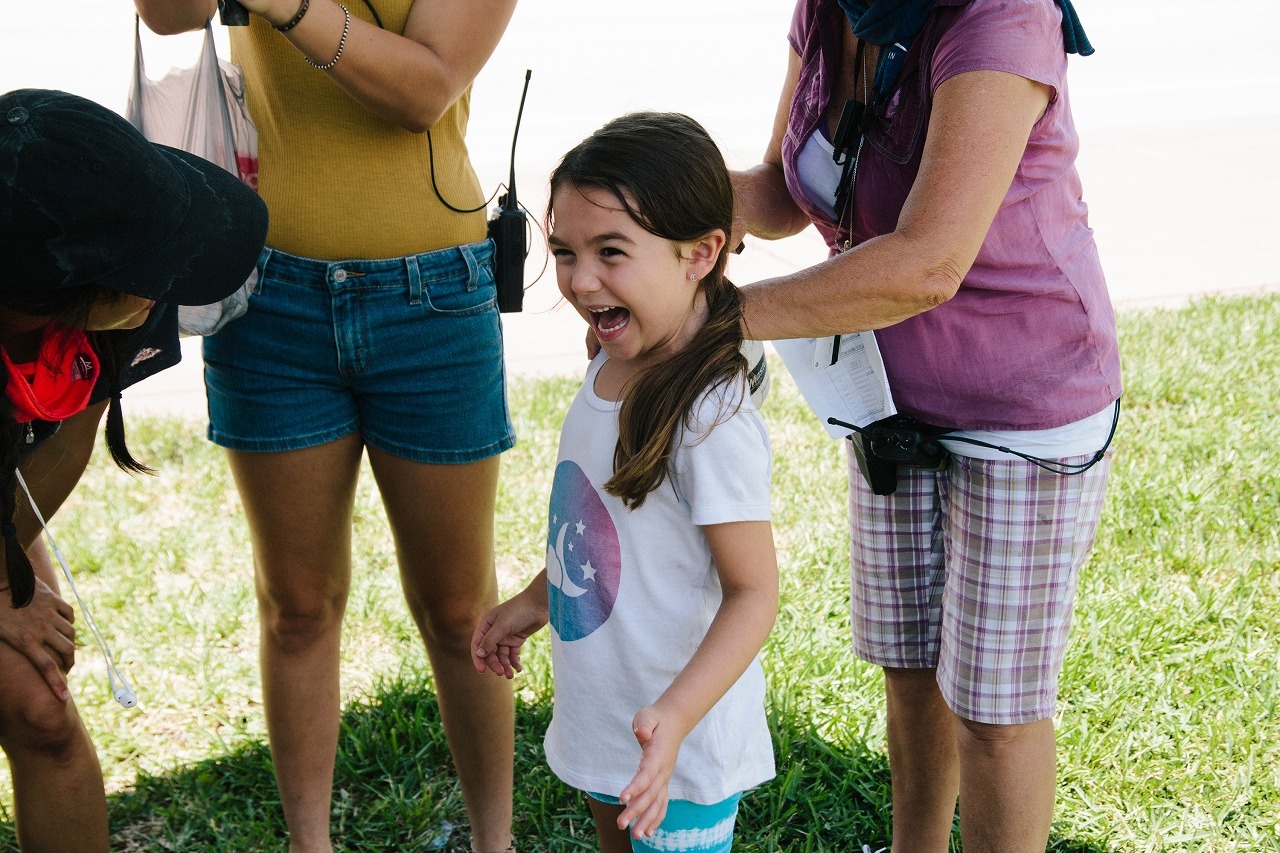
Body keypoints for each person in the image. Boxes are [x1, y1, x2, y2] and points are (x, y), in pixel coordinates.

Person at [729, 1, 1120, 850]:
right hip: (887, 395)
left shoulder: (1000, 19)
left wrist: (715, 317)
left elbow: (929, 260)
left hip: (1024, 405)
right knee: (908, 668)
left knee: (994, 709)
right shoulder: (831, 7)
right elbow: (783, 192)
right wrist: (653, 199)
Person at [131, 1, 519, 850]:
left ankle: (498, 842)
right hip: (267, 296)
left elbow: (426, 88)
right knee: (297, 605)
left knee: (460, 613)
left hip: (434, 296)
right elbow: (164, 15)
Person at [472, 112, 779, 853]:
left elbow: (754, 592)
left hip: (682, 741)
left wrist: (674, 716)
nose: (580, 281)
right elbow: (600, 532)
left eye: (612, 252)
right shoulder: (608, 367)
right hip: (612, 717)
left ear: (700, 253)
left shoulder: (710, 413)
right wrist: (535, 600)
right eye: (565, 252)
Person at [0, 87, 268, 852]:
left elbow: (61, 442)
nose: (167, 282)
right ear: (69, 288)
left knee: (39, 707)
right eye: (151, 267)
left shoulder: (103, 301)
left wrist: (7, 577)